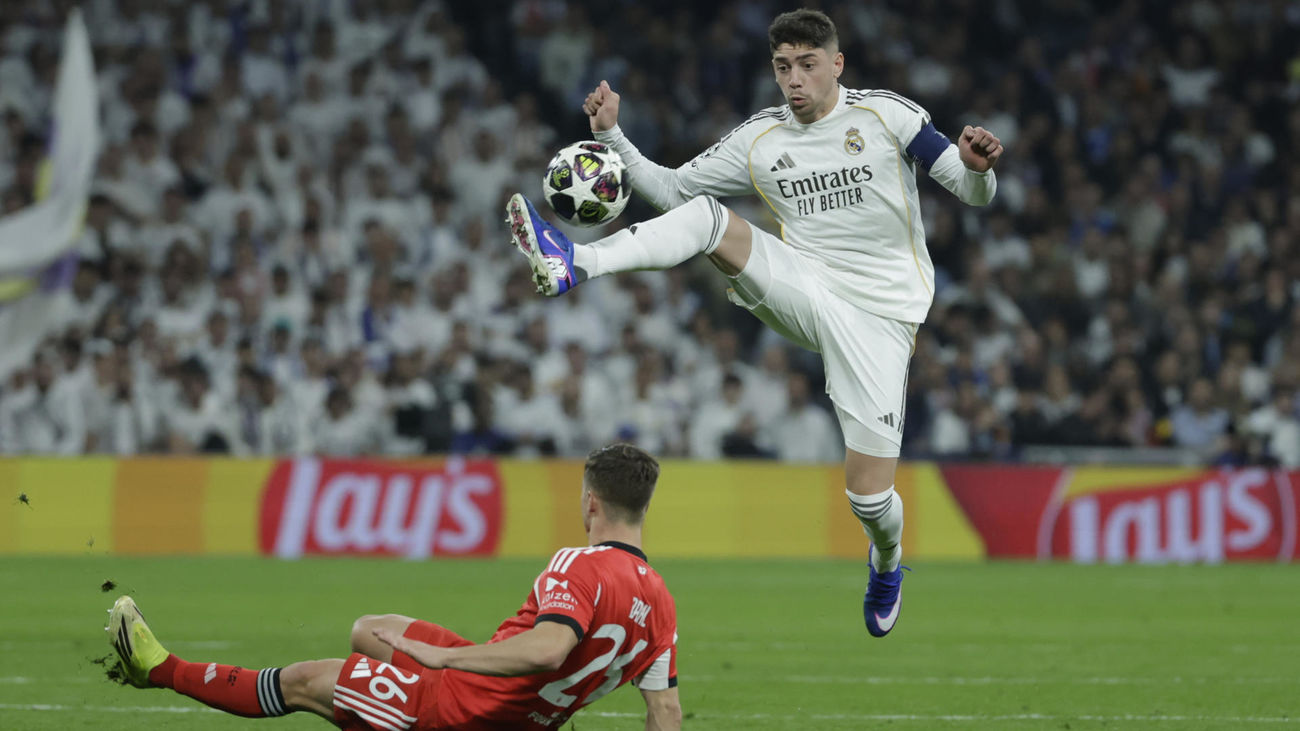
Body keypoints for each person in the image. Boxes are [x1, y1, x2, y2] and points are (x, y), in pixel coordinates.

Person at [505, 8, 1002, 637]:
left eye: (807, 65)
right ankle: (575, 260)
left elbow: (965, 185)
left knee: (869, 499)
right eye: (783, 67)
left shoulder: (887, 115)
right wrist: (614, 138)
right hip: (807, 283)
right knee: (710, 219)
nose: (794, 80)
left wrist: (979, 168)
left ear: (837, 65)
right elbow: (673, 191)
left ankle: (887, 559)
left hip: (883, 316)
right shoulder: (760, 139)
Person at [106, 444, 681, 730]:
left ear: (590, 502)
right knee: (369, 631)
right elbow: (665, 709)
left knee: (308, 681)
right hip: (515, 712)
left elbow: (547, 648)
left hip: (463, 711)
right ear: (646, 509)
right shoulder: (660, 603)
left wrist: (441, 659)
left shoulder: (578, 565)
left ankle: (157, 669)